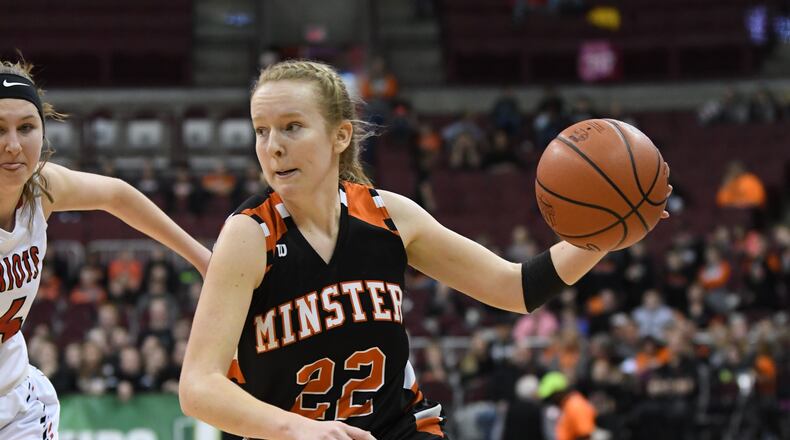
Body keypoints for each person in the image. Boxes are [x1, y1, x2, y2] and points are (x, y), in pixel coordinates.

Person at [179, 59, 671, 440]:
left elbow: (516, 287)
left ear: (339, 135)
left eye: (291, 126)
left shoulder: (391, 216)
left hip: (397, 429)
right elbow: (198, 386)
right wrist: (298, 428)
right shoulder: (249, 234)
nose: (273, 146)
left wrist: (604, 235)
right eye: (261, 131)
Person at [0, 59, 210, 439]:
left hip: (17, 399)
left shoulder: (41, 188)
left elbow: (117, 195)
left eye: (26, 128)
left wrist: (202, 258)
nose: (13, 145)